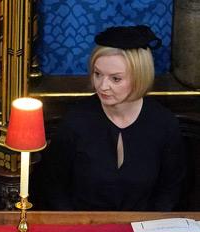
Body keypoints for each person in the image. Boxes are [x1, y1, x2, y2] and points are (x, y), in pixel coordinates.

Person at [41, 26, 186, 211]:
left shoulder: (164, 124)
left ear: (139, 77)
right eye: (97, 74)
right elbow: (54, 187)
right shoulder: (76, 121)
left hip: (144, 231)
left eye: (115, 79)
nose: (102, 86)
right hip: (85, 229)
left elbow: (170, 191)